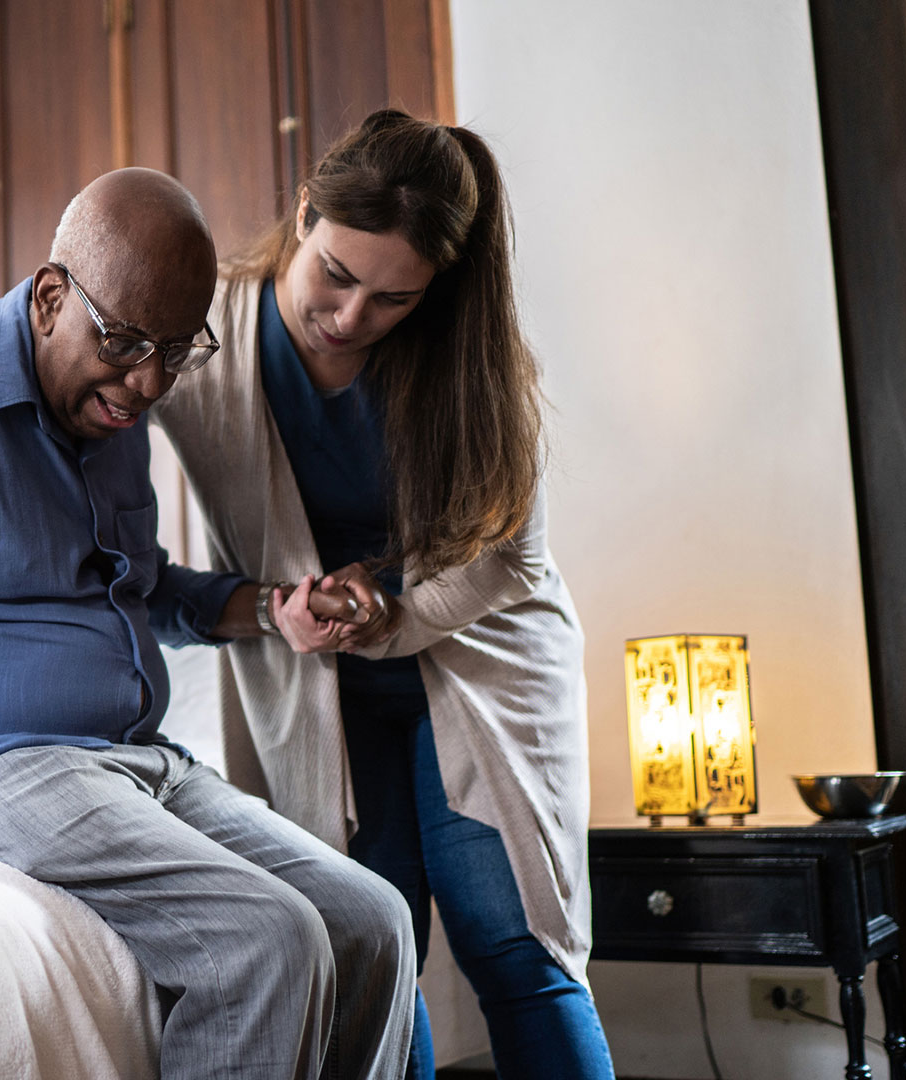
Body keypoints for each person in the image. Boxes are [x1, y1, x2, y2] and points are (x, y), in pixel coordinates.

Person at [0, 167, 417, 1080]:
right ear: (52, 296)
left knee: (374, 920)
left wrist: (264, 607)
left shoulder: (112, 402)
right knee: (266, 940)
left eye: (177, 352)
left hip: (132, 761)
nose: (147, 383)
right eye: (127, 343)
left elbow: (137, 587)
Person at [152, 109, 617, 1078]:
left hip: (480, 660)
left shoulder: (469, 358)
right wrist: (266, 604)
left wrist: (392, 613)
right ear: (304, 212)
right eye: (337, 274)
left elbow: (510, 562)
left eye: (393, 299)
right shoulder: (206, 340)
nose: (352, 317)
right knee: (371, 946)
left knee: (511, 941)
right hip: (320, 683)